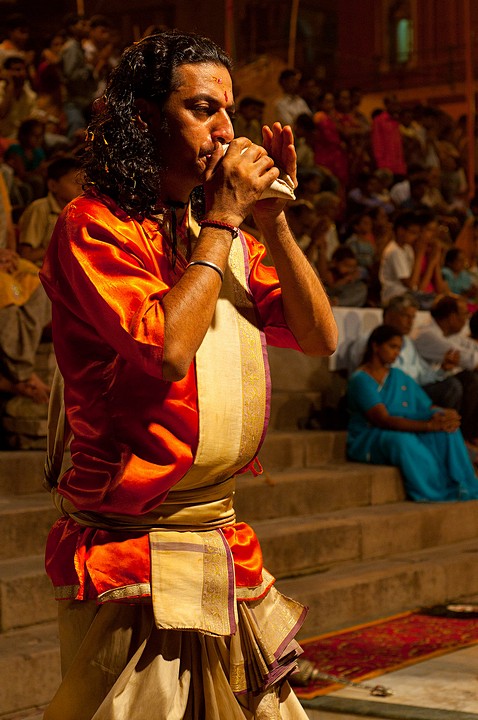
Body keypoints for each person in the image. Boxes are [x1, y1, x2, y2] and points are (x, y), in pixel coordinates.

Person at [39, 30, 337, 720]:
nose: (226, 131)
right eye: (204, 109)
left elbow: (319, 337)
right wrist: (227, 221)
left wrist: (273, 223)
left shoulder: (215, 229)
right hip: (132, 545)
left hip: (219, 533)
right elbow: (168, 348)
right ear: (143, 117)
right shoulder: (94, 224)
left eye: (229, 111)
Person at [347, 324, 478, 502]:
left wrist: (445, 414)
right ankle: (435, 490)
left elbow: (426, 406)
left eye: (399, 349)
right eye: (392, 347)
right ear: (375, 346)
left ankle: (463, 485)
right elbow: (382, 419)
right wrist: (428, 426)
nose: (396, 353)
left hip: (405, 425)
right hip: (371, 435)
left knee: (447, 431)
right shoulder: (361, 379)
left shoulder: (398, 376)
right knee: (403, 441)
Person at [18, 155, 83, 266]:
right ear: (53, 185)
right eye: (75, 182)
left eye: (83, 182)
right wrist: (62, 245)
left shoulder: (80, 210)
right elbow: (26, 255)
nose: (80, 188)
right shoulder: (40, 209)